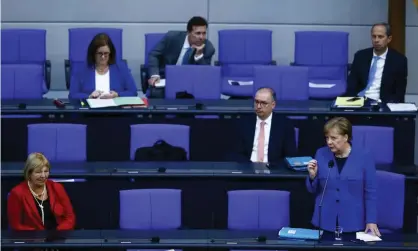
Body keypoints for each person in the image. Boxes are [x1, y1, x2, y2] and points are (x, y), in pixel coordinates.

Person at [306, 117, 380, 236]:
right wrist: (312, 177)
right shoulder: (321, 154)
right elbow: (312, 190)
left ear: (346, 137)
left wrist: (371, 220)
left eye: (334, 138)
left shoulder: (364, 156)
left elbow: (370, 191)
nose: (329, 142)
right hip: (324, 221)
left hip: (353, 222)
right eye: (327, 138)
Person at [147, 16, 216, 98]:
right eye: (198, 33)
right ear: (188, 32)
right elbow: (154, 54)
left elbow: (205, 75)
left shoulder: (208, 48)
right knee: (156, 94)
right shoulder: (171, 37)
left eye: (204, 33)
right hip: (166, 79)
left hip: (191, 84)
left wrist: (199, 56)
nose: (201, 37)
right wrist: (155, 75)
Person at [7, 153, 76, 230]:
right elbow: (16, 225)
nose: (43, 176)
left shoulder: (57, 188)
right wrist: (39, 236)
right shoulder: (17, 193)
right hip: (31, 239)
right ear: (29, 173)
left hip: (58, 237)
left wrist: (57, 233)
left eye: (46, 171)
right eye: (38, 172)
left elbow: (70, 217)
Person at [345, 22, 408, 103]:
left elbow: (399, 92)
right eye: (374, 36)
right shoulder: (360, 56)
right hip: (359, 100)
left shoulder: (399, 60)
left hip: (383, 103)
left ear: (389, 39)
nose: (376, 40)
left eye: (380, 37)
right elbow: (352, 84)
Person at [231, 87, 297, 163]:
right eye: (256, 102)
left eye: (264, 103)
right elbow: (235, 153)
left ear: (273, 105)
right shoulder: (243, 123)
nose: (258, 106)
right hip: (248, 168)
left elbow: (290, 156)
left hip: (274, 170)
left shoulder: (285, 124)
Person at [69, 33, 138, 99]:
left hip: (116, 109)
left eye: (106, 53)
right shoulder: (80, 70)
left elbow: (133, 92)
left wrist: (117, 95)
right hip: (90, 110)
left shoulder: (121, 68)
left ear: (110, 53)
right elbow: (73, 95)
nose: (103, 57)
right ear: (93, 53)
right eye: (99, 53)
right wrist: (89, 96)